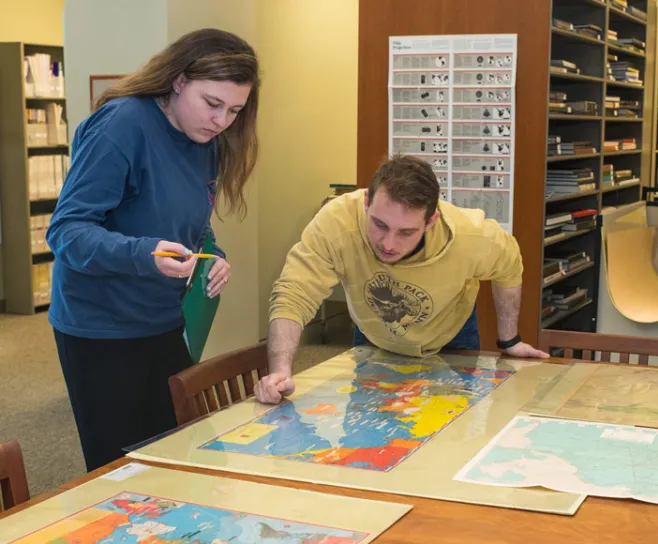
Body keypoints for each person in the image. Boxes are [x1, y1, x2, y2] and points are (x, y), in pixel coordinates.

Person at [46, 28, 260, 471]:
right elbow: (67, 231)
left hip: (162, 319)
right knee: (121, 470)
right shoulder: (123, 123)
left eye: (235, 111)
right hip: (100, 327)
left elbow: (189, 224)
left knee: (177, 456)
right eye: (212, 104)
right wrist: (145, 255)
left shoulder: (208, 142)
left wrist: (212, 256)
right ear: (178, 80)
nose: (221, 121)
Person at [254, 154, 547, 404]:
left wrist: (510, 339)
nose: (389, 243)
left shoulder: (473, 235)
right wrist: (281, 371)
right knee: (368, 433)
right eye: (379, 225)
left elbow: (509, 267)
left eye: (406, 232)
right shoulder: (336, 221)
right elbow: (294, 291)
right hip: (375, 333)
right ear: (367, 202)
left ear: (431, 221)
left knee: (449, 430)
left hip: (450, 334)